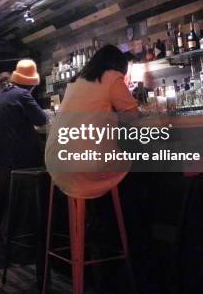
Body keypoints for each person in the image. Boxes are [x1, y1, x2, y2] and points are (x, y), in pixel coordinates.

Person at [45, 44, 138, 199]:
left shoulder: (75, 82)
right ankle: (127, 218)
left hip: (55, 164)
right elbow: (132, 115)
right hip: (84, 167)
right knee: (138, 155)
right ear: (118, 66)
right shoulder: (112, 77)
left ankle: (96, 218)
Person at [0, 60, 48, 169]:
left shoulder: (2, 94)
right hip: (17, 158)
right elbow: (42, 120)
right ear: (32, 85)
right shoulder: (22, 94)